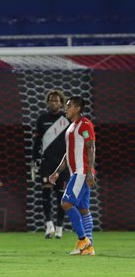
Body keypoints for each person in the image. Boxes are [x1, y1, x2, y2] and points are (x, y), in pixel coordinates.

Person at [49, 96, 97, 256]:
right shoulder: (72, 127)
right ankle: (89, 248)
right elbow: (68, 153)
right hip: (76, 172)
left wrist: (89, 171)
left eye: (69, 105)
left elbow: (91, 148)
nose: (66, 108)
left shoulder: (84, 124)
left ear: (77, 108)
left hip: (82, 172)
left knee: (66, 203)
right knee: (83, 209)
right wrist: (57, 171)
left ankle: (83, 240)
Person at [31, 89, 70, 239]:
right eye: (51, 100)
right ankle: (48, 225)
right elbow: (36, 142)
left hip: (64, 164)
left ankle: (59, 226)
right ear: (47, 102)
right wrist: (35, 159)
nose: (53, 103)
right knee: (46, 192)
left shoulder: (67, 119)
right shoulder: (42, 119)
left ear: (61, 103)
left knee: (62, 196)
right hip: (47, 163)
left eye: (56, 100)